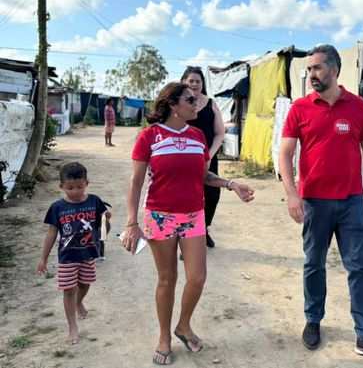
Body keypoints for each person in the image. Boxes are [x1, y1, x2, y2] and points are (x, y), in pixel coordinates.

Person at [120, 82, 254, 366]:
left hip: (193, 216)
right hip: (160, 216)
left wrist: (231, 184)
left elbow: (204, 176)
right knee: (167, 279)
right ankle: (164, 337)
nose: (197, 103)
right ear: (173, 105)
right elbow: (135, 182)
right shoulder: (150, 137)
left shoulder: (197, 136)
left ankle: (184, 325)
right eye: (190, 99)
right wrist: (132, 222)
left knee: (198, 277)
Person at [279, 44, 363, 359]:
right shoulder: (300, 108)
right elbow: (286, 153)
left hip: (352, 203)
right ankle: (313, 320)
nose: (311, 74)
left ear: (334, 70)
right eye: (309, 69)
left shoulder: (359, 107)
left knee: (360, 267)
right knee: (313, 264)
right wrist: (292, 194)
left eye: (316, 68)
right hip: (314, 202)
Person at [37, 162, 112, 346]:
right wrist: (43, 258)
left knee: (85, 284)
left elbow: (104, 230)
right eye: (70, 188)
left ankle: (79, 302)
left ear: (87, 182)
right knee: (68, 290)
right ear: (61, 186)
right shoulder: (57, 207)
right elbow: (52, 233)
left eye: (80, 186)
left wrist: (106, 220)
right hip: (67, 256)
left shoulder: (94, 201)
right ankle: (72, 327)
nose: (75, 191)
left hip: (88, 253)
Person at [180, 66, 225, 248]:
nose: (195, 84)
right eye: (191, 80)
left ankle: (203, 229)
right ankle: (187, 237)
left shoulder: (210, 103)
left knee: (212, 194)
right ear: (183, 82)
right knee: (187, 196)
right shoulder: (179, 105)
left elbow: (220, 132)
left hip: (208, 157)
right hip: (184, 158)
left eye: (198, 81)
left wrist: (209, 155)